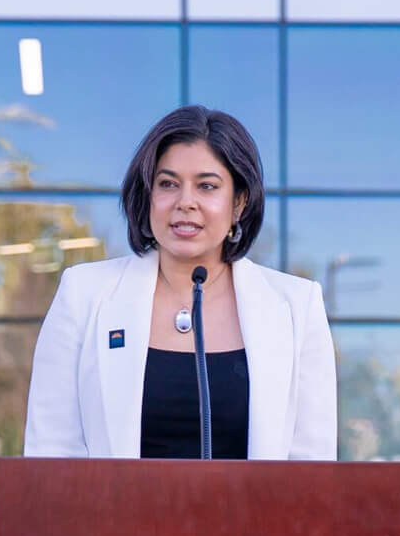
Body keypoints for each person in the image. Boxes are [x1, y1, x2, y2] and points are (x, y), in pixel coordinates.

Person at [22, 106, 336, 460]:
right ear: (148, 195)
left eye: (207, 186)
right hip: (111, 501)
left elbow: (312, 468)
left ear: (239, 203)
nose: (185, 202)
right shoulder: (83, 294)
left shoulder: (297, 307)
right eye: (168, 184)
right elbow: (50, 455)